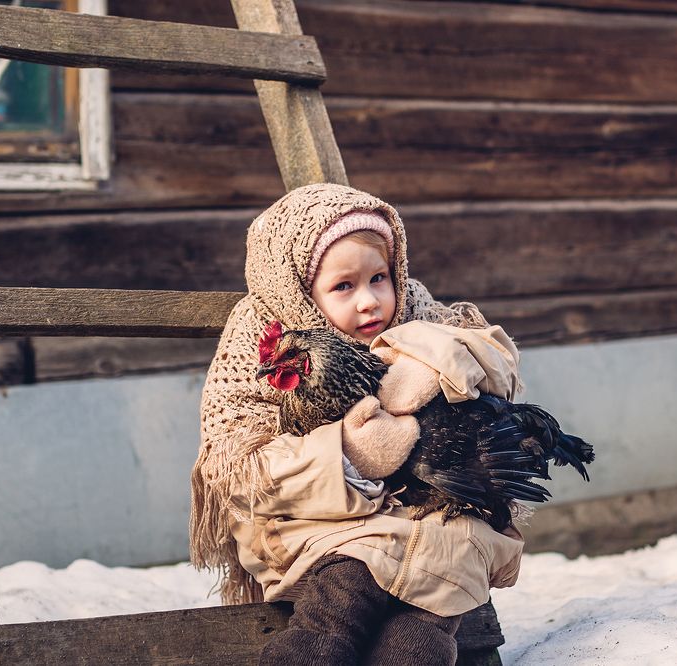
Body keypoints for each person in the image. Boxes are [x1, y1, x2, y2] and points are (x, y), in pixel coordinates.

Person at [191, 183, 525, 665]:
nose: (369, 301)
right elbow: (238, 468)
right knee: (343, 598)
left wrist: (432, 368)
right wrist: (349, 454)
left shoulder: (415, 306)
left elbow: (493, 359)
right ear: (300, 291)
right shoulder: (264, 334)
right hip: (318, 522)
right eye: (344, 286)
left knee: (432, 607)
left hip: (431, 518)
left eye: (379, 278)